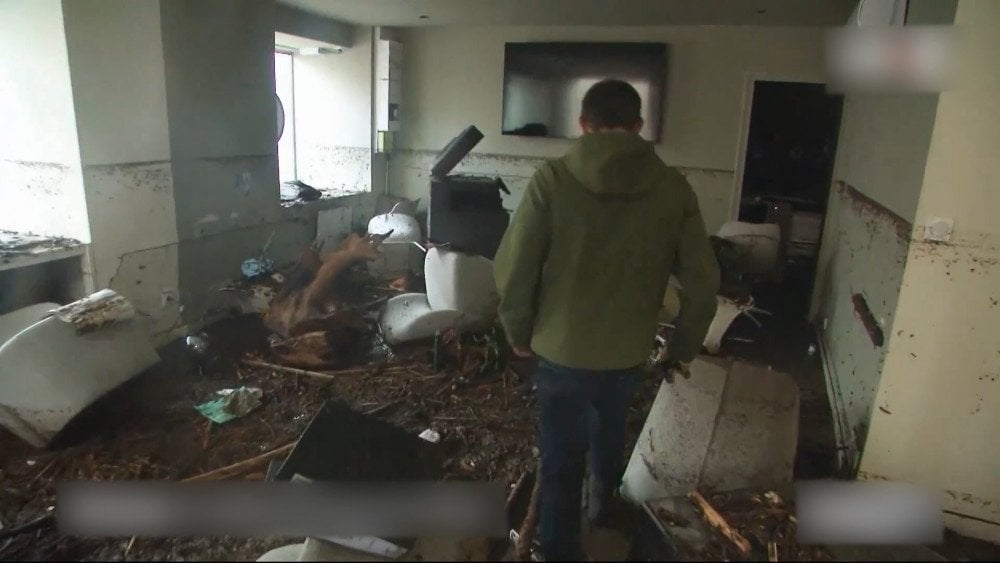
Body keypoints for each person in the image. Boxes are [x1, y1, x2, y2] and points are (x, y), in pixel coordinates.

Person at [493, 79, 720, 561]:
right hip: (627, 351)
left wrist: (517, 333)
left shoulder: (551, 181)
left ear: (583, 124)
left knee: (559, 464)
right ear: (638, 127)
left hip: (559, 351)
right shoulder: (674, 188)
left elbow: (514, 270)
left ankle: (560, 551)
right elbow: (702, 284)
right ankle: (602, 510)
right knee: (609, 428)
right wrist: (681, 350)